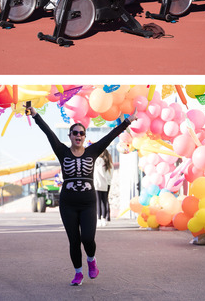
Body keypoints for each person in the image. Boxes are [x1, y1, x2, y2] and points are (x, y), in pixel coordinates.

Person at [25, 105, 134, 285]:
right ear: (70, 136)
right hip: (68, 204)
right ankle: (78, 273)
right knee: (74, 240)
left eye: (81, 133)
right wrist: (35, 115)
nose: (78, 135)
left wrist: (127, 121)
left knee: (87, 238)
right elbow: (48, 132)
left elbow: (111, 136)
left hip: (88, 203)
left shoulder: (93, 151)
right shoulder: (62, 151)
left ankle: (91, 260)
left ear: (84, 136)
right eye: (75, 133)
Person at [94, 150, 113, 227]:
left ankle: (99, 219)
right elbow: (110, 174)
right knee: (104, 201)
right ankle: (104, 218)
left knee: (98, 201)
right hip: (105, 184)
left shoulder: (98, 160)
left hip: (98, 183)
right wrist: (107, 180)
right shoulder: (109, 163)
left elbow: (99, 171)